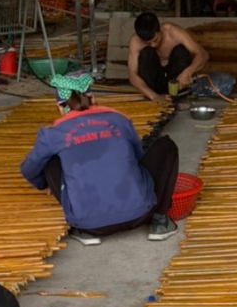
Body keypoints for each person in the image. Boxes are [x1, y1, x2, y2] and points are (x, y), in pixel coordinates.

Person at [20, 72, 180, 246]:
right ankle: (159, 220)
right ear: (92, 98)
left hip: (88, 225)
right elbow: (138, 156)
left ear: (60, 106)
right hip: (140, 214)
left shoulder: (52, 134)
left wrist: (45, 184)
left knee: (49, 159)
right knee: (166, 146)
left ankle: (83, 231)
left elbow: (29, 169)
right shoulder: (118, 119)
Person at [128, 12, 209, 106]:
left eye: (155, 40)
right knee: (146, 53)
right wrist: (153, 96)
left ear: (160, 30)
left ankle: (178, 96)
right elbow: (132, 74)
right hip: (153, 86)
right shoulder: (135, 41)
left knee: (180, 50)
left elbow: (203, 54)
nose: (153, 45)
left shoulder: (173, 32)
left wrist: (188, 72)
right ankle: (153, 94)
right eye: (148, 43)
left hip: (176, 83)